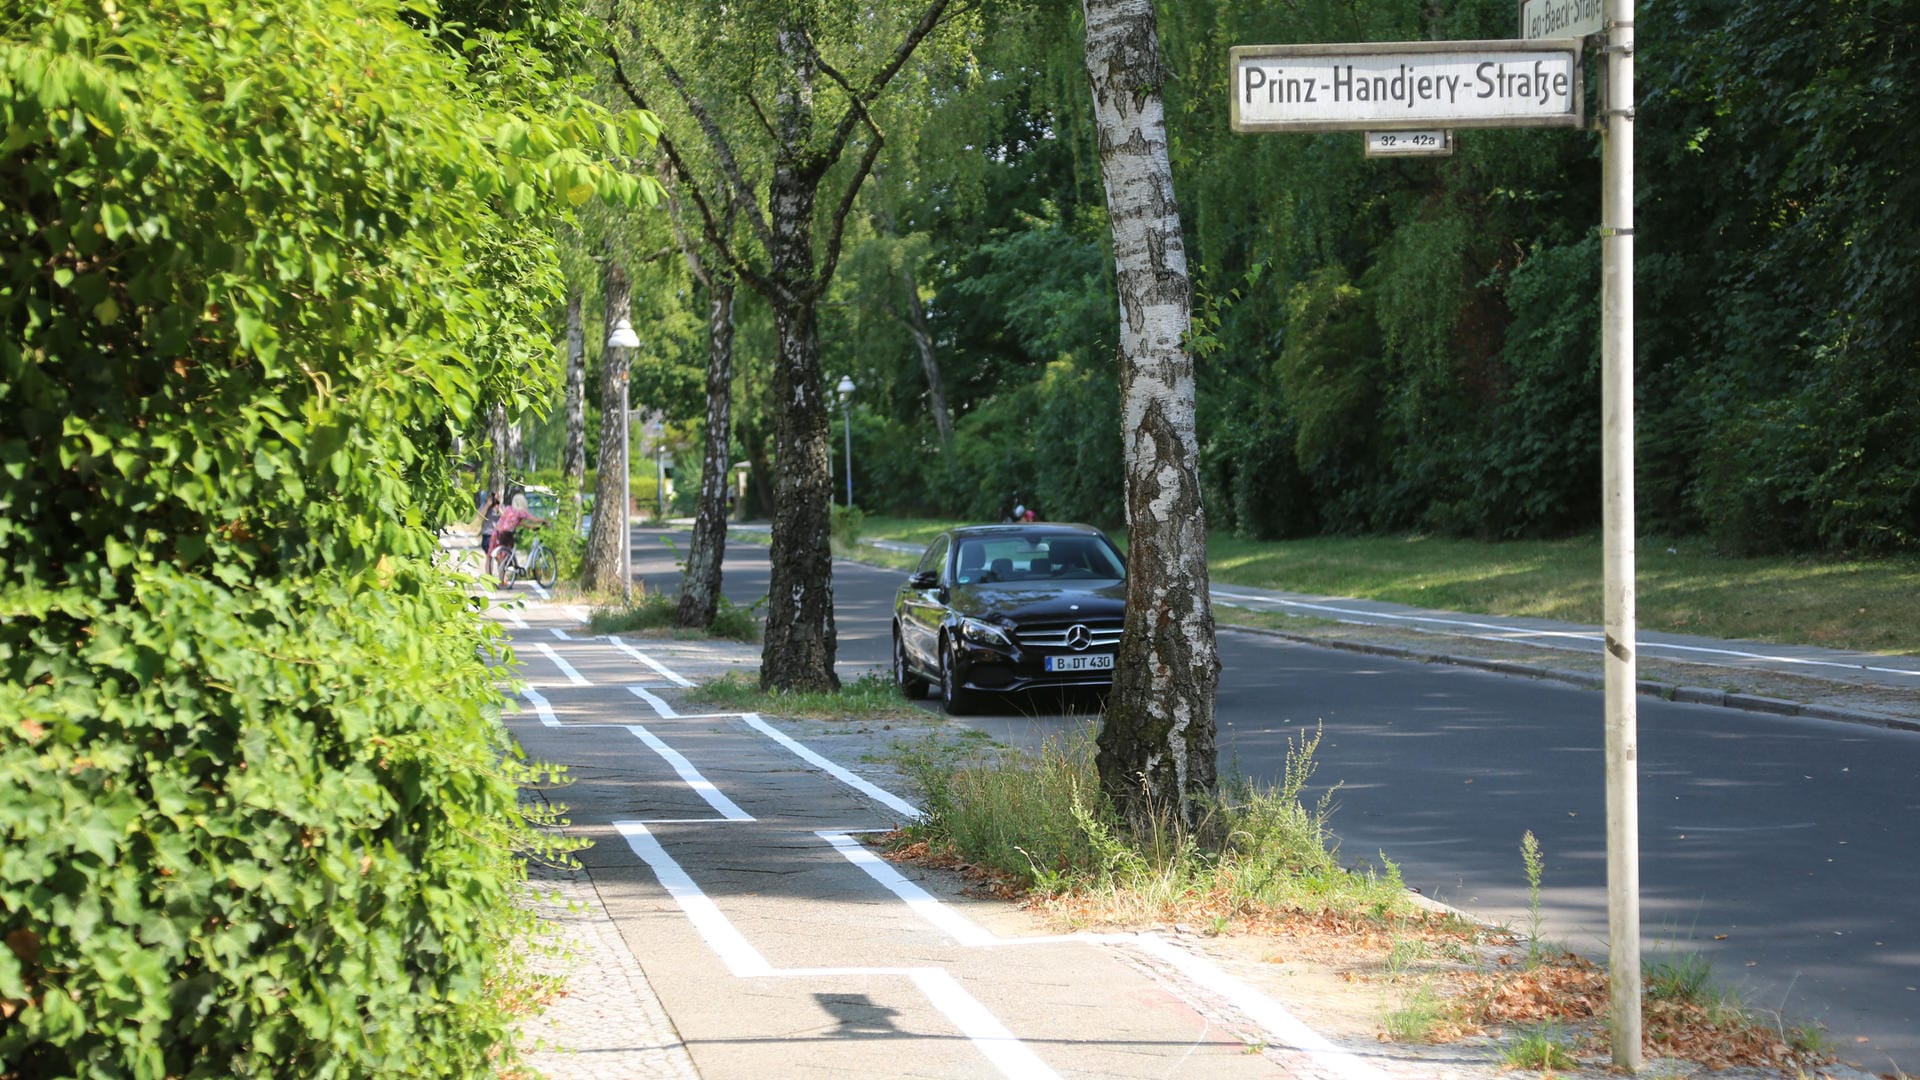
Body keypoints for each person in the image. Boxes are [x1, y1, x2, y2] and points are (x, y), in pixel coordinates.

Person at [490, 494, 546, 587]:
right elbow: (533, 519)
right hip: (507, 534)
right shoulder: (522, 512)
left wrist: (529, 526)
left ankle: (501, 581)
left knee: (502, 557)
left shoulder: (509, 509)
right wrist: (544, 520)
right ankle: (505, 579)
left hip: (497, 533)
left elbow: (515, 522)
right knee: (507, 557)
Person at [478, 492, 502, 576]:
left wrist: (498, 507)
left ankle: (502, 577)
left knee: (499, 557)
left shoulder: (499, 506)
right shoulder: (485, 505)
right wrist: (488, 505)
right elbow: (481, 516)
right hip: (487, 535)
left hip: (497, 535)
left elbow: (505, 517)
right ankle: (488, 577)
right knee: (489, 556)